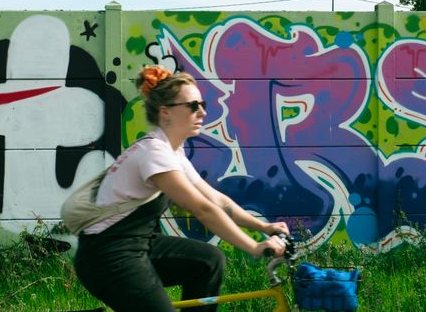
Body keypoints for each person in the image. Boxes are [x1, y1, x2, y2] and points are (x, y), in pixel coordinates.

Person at [74, 65, 289, 311]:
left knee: (209, 261)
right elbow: (202, 209)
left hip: (139, 245)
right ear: (165, 113)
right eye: (192, 106)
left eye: (203, 105)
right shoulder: (154, 152)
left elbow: (218, 201)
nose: (201, 113)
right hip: (107, 257)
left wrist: (264, 227)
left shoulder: (173, 152)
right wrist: (253, 246)